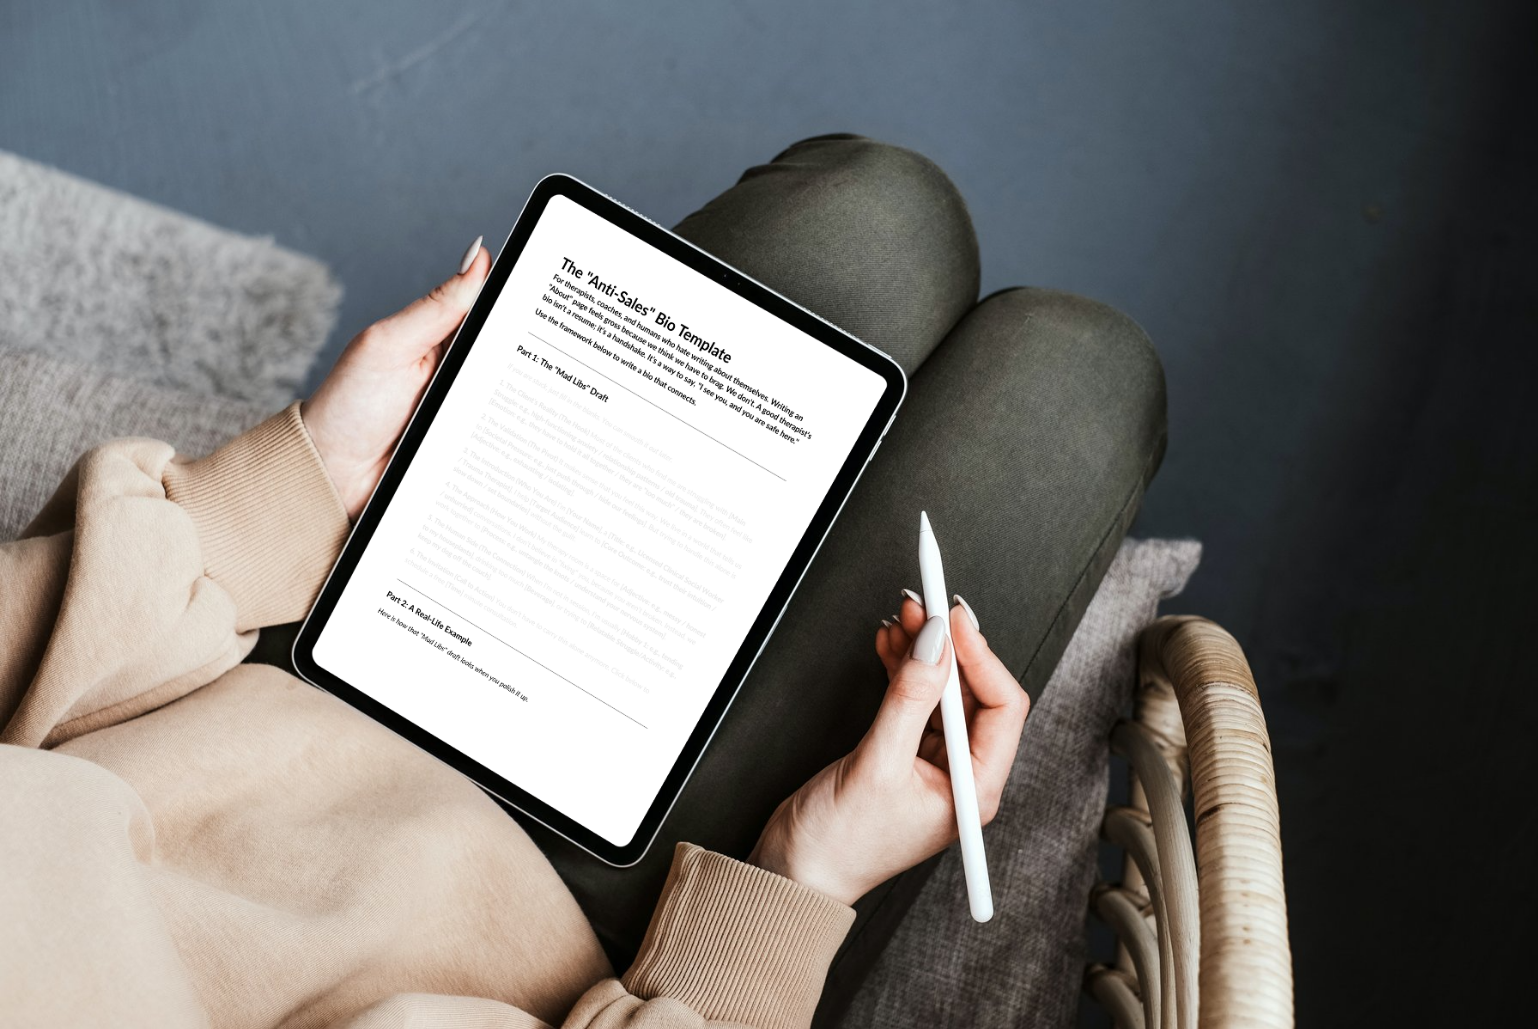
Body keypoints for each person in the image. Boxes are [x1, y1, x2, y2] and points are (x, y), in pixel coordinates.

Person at [0, 135, 1165, 1028]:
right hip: (613, 950)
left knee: (879, 210)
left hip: (288, 667)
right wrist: (800, 877)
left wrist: (289, 484)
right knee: (1080, 380)